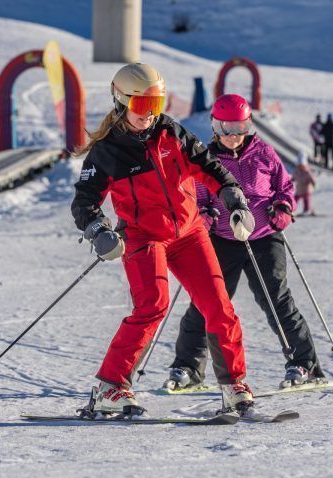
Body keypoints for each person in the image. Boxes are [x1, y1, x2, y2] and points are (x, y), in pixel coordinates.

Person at [71, 64, 257, 414]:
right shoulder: (108, 152)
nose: (150, 114)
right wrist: (98, 230)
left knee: (219, 306)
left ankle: (234, 384)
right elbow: (84, 200)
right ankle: (110, 386)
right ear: (122, 102)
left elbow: (208, 166)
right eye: (143, 106)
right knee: (152, 305)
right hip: (143, 237)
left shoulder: (170, 131)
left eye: (157, 104)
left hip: (188, 233)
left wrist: (233, 197)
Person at [165, 94, 326, 392]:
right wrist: (206, 215)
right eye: (225, 128)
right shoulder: (205, 159)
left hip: (264, 237)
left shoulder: (264, 153)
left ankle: (304, 363)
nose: (233, 136)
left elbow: (284, 187)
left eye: (240, 127)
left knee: (276, 298)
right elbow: (196, 197)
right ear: (214, 127)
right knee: (207, 303)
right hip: (223, 239)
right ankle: (186, 368)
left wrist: (283, 209)